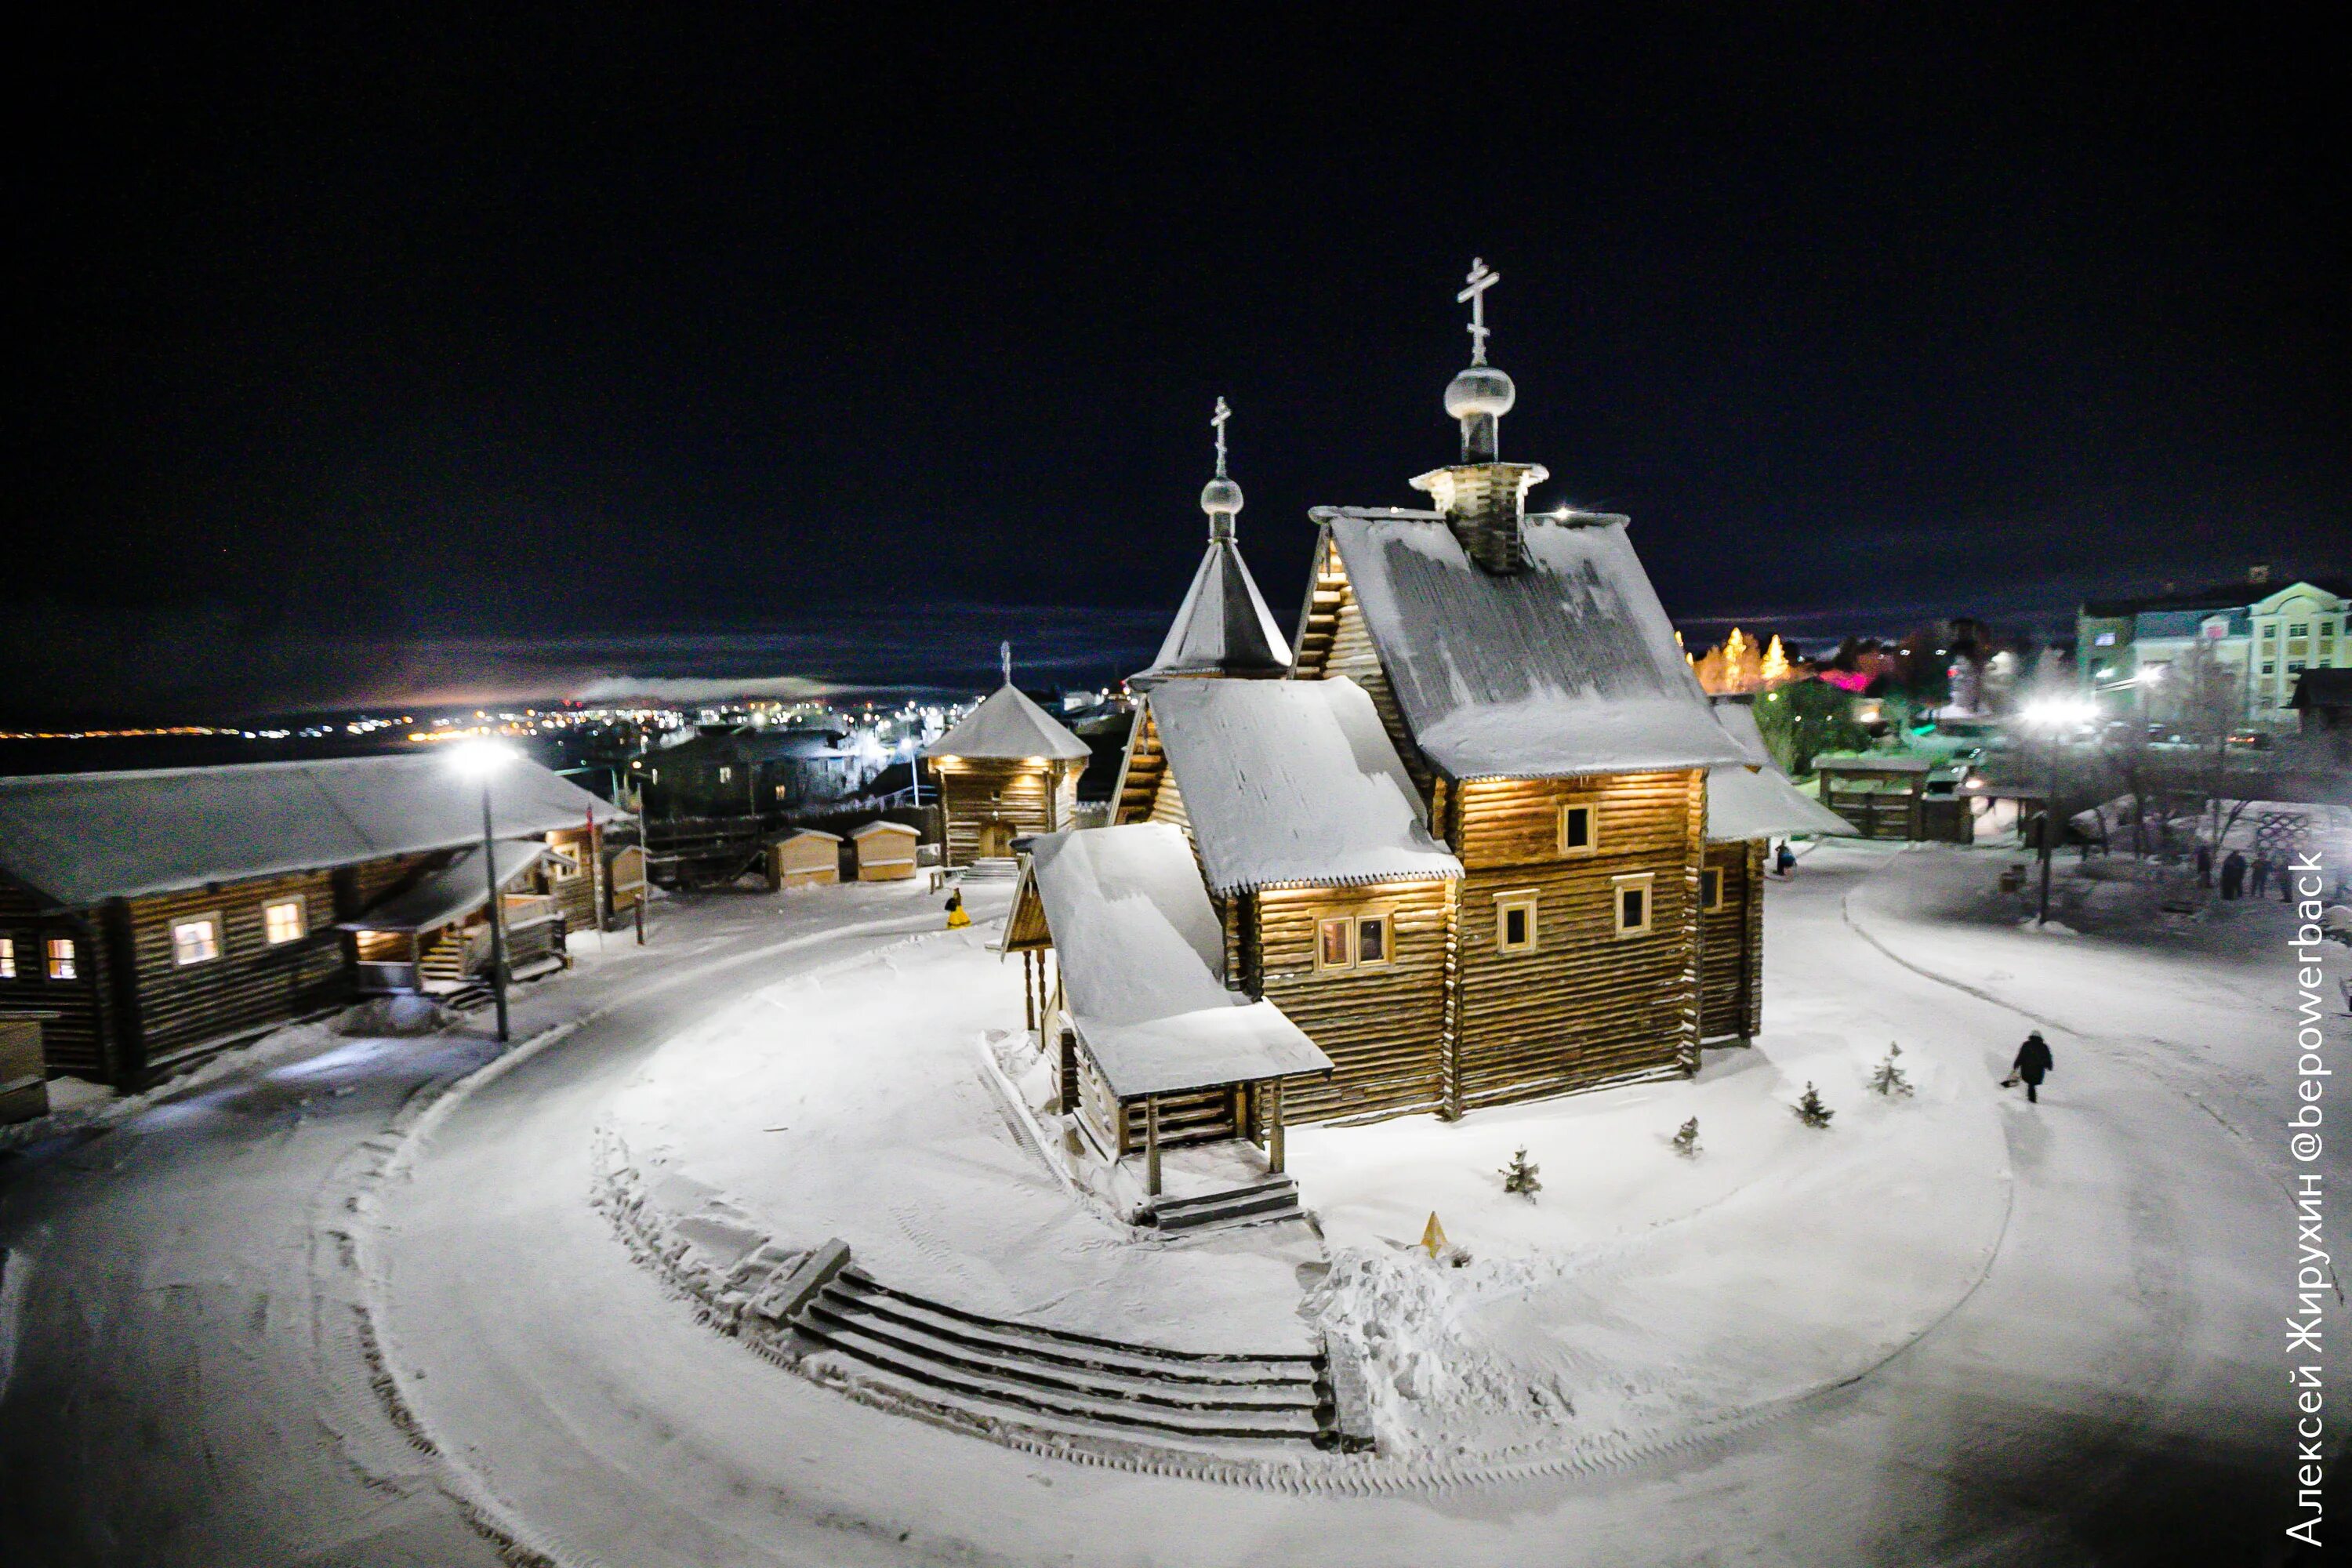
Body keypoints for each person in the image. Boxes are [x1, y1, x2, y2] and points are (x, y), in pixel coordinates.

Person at [2010, 1030, 2055, 1104]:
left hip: (2026, 1068)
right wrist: (2049, 1066)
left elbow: (2021, 1055)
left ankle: (2031, 1100)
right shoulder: (2044, 1047)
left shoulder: (2026, 1045)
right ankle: (2032, 1100)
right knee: (2032, 1083)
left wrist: (2016, 1064)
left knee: (2030, 1083)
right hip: (2038, 1070)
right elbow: (2048, 1058)